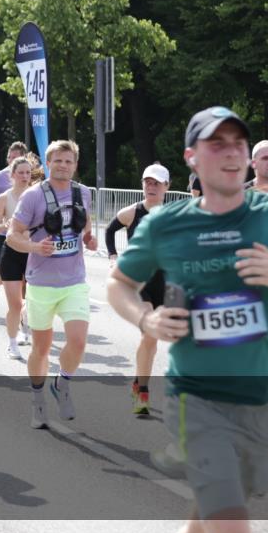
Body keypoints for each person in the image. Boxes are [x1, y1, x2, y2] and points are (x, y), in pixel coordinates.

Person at [106, 106, 268, 533]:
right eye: (216, 143)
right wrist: (146, 319)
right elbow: (119, 285)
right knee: (232, 525)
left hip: (258, 397)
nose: (231, 153)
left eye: (238, 143)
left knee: (206, 517)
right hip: (198, 397)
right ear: (191, 157)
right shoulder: (167, 223)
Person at [7, 140, 97, 427]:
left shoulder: (83, 192)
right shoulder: (33, 196)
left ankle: (62, 384)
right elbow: (12, 235)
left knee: (78, 341)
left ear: (75, 164)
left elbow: (85, 224)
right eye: (57, 161)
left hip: (74, 281)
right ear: (48, 164)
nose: (63, 165)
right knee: (42, 350)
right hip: (42, 284)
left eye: (68, 161)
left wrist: (89, 238)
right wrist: (35, 248)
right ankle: (37, 401)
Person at [105, 163, 170, 414]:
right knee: (149, 335)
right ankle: (142, 390)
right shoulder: (132, 212)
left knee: (160, 341)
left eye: (157, 183)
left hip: (166, 284)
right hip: (140, 284)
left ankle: (139, 382)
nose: (151, 187)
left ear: (167, 186)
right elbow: (111, 229)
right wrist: (112, 257)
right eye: (148, 182)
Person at [0, 157, 34, 359]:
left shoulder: (37, 195)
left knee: (31, 301)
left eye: (28, 173)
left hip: (34, 253)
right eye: (21, 173)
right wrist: (5, 225)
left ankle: (26, 329)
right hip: (12, 252)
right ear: (12, 175)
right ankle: (12, 343)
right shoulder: (4, 198)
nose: (25, 177)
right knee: (16, 304)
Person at [0, 142, 29, 303]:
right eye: (10, 157)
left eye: (16, 157)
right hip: (3, 235)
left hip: (27, 238)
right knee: (8, 272)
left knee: (24, 277)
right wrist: (6, 213)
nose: (11, 160)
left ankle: (24, 314)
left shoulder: (32, 178)